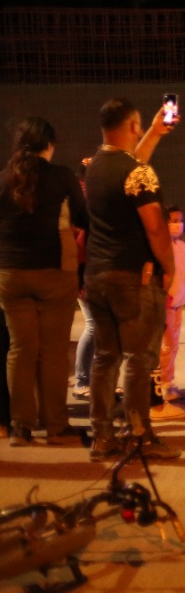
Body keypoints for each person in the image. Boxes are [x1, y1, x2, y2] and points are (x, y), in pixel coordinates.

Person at [83, 99, 180, 462]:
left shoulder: (94, 167)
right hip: (132, 279)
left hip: (97, 276)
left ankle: (103, 436)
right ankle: (139, 434)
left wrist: (155, 132)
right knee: (140, 359)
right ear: (133, 126)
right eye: (142, 126)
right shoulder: (138, 173)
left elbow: (130, 168)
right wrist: (169, 267)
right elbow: (155, 227)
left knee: (105, 358)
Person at [0, 118, 88, 445]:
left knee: (19, 350)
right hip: (54, 271)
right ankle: (56, 426)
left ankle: (20, 427)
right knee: (52, 351)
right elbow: (83, 217)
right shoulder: (62, 176)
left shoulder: (3, 180)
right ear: (48, 145)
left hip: (9, 273)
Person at [154, 205, 185, 417]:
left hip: (178, 303)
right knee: (165, 347)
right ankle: (163, 384)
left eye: (180, 220)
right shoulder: (162, 247)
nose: (177, 224)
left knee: (173, 345)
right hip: (167, 303)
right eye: (172, 220)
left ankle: (169, 382)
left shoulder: (181, 247)